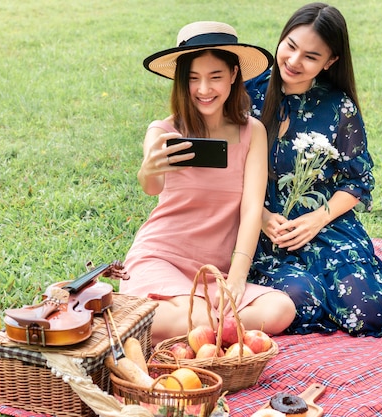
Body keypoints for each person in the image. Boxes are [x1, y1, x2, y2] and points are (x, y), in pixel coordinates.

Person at [244, 3, 382, 337]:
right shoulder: (248, 95)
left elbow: (358, 181)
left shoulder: (338, 106)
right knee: (300, 301)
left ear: (330, 62)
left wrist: (316, 219)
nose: (295, 62)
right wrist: (262, 217)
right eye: (291, 46)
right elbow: (222, 173)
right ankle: (329, 293)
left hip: (326, 225)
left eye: (311, 57)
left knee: (363, 310)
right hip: (262, 233)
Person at [121, 21, 296, 346]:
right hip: (160, 259)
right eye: (193, 79)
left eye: (215, 77)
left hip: (212, 274)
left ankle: (188, 329)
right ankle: (200, 326)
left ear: (233, 75)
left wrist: (238, 280)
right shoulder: (163, 130)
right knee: (196, 314)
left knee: (281, 309)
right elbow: (151, 186)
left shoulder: (251, 132)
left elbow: (251, 210)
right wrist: (149, 167)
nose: (204, 89)